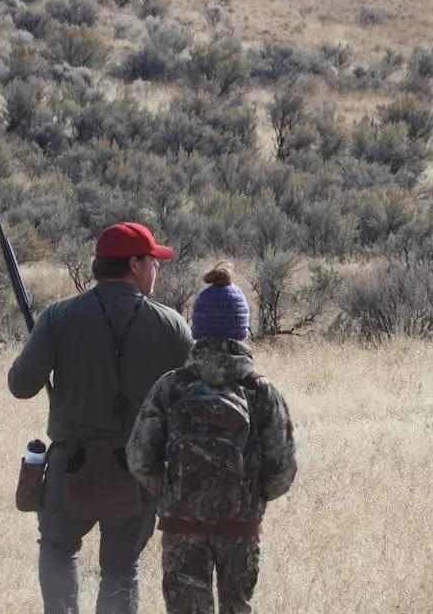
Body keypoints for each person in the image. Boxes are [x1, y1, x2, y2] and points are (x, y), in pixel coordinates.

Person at [9, 222, 194, 614]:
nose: (156, 270)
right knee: (121, 570)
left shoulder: (59, 317)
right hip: (137, 472)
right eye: (153, 261)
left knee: (58, 552)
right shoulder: (172, 325)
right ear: (135, 264)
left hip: (69, 466)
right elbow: (190, 404)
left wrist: (44, 344)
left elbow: (21, 385)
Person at [127, 263, 297, 614]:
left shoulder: (171, 387)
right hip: (240, 528)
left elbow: (140, 459)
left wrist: (173, 490)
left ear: (197, 328)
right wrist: (251, 496)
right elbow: (282, 471)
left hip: (181, 524)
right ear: (242, 329)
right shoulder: (262, 393)